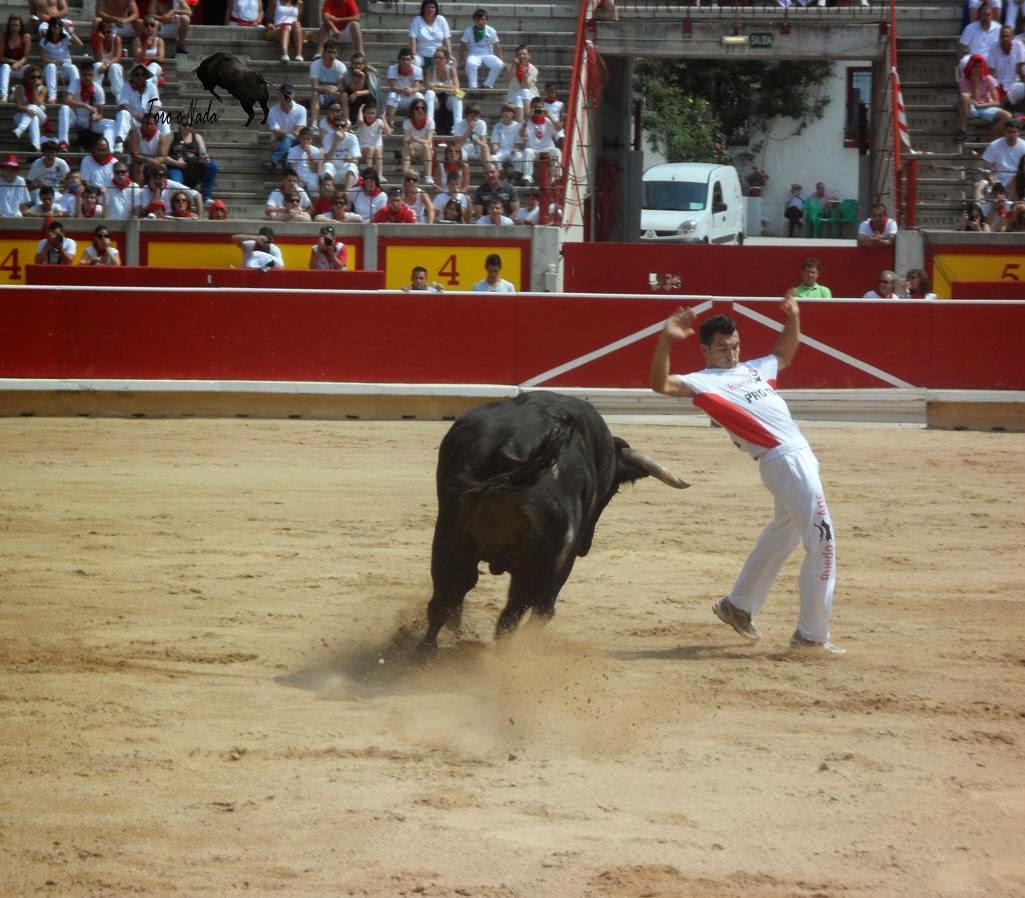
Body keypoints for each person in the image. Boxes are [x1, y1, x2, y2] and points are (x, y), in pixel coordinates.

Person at [649, 296, 843, 654]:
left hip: (795, 458)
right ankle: (811, 636)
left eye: (735, 346)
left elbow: (784, 354)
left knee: (784, 533)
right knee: (823, 543)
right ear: (705, 350)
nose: (731, 354)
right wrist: (666, 340)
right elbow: (660, 385)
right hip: (784, 460)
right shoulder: (702, 382)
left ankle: (737, 605)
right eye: (722, 348)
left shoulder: (754, 369)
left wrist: (793, 317)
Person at [59, 61, 116, 152]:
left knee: (111, 124)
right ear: (80, 74)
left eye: (90, 75)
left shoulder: (98, 90)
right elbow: (67, 100)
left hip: (89, 121)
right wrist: (85, 105)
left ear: (93, 75)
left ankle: (107, 149)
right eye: (84, 75)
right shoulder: (75, 83)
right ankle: (63, 142)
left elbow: (101, 113)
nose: (87, 77)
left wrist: (96, 117)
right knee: (64, 108)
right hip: (75, 118)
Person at [115, 62, 169, 154]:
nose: (140, 77)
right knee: (123, 113)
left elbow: (156, 104)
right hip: (133, 120)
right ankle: (119, 143)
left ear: (146, 76)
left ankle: (166, 144)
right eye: (137, 74)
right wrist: (134, 114)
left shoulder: (151, 87)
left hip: (148, 121)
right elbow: (123, 104)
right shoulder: (126, 86)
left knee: (162, 115)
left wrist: (150, 116)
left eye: (143, 74)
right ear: (133, 76)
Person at [958, 54, 1011, 140]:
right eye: (975, 66)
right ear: (970, 66)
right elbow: (969, 99)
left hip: (985, 106)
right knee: (964, 96)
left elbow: (997, 102)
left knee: (1007, 116)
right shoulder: (963, 80)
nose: (977, 68)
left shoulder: (988, 78)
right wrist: (976, 83)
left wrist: (981, 105)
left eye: (979, 66)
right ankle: (961, 130)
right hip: (970, 108)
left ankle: (984, 139)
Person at [166, 120, 219, 202]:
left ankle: (206, 196)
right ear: (180, 125)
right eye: (184, 124)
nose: (187, 127)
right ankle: (179, 199)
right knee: (175, 180)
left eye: (189, 125)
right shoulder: (171, 136)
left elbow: (203, 152)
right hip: (177, 168)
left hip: (194, 168)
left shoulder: (197, 137)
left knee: (213, 165)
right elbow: (162, 156)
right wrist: (176, 163)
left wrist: (204, 158)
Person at [39, 17, 82, 104]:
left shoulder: (65, 38)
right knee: (51, 66)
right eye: (54, 26)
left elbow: (80, 44)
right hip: (50, 69)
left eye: (59, 26)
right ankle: (52, 97)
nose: (57, 28)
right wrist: (54, 62)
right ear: (50, 27)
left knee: (73, 68)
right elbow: (42, 59)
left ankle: (71, 95)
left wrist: (70, 32)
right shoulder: (44, 41)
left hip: (64, 67)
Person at [266, 82, 307, 172]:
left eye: (289, 93)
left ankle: (273, 162)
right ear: (279, 95)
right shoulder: (272, 111)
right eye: (283, 93)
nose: (286, 96)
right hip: (280, 141)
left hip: (291, 142)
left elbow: (297, 131)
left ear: (294, 94)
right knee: (288, 146)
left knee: (287, 140)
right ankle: (285, 169)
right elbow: (276, 132)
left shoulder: (301, 110)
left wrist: (284, 137)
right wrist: (288, 136)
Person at [459, 8, 503, 89]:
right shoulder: (469, 30)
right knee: (470, 63)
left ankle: (487, 84)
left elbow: (497, 45)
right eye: (477, 19)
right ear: (474, 20)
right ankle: (473, 87)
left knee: (499, 64)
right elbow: (462, 44)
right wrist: (461, 59)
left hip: (488, 53)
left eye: (482, 19)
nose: (480, 22)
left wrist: (500, 58)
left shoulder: (491, 30)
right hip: (473, 53)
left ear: (486, 20)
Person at [320, 103, 360, 190]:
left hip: (345, 169)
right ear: (333, 127)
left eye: (342, 126)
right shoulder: (327, 137)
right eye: (337, 126)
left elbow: (356, 160)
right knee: (327, 166)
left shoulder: (352, 138)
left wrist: (350, 159)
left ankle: (347, 194)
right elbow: (327, 159)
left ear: (346, 128)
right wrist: (335, 142)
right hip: (333, 169)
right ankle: (329, 194)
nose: (339, 128)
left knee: (352, 166)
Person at [520, 95, 558, 185]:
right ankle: (527, 178)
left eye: (540, 107)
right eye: (535, 107)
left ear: (543, 108)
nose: (537, 109)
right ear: (531, 109)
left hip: (547, 148)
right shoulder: (527, 121)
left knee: (556, 151)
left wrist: (549, 115)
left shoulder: (548, 121)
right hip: (534, 150)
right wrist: (528, 118)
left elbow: (558, 128)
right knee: (527, 151)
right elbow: (521, 134)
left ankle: (555, 177)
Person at [423, 45, 462, 134]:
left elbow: (456, 87)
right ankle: (430, 125)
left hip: (448, 99)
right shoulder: (430, 69)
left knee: (459, 95)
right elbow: (428, 86)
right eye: (435, 57)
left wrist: (437, 85)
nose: (437, 60)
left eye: (440, 57)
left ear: (446, 59)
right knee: (429, 93)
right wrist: (448, 87)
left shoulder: (451, 69)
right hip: (435, 100)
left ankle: (457, 127)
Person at [980, 119, 1025, 195]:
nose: (1011, 134)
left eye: (1014, 132)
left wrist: (1014, 182)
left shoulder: (1024, 146)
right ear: (1004, 132)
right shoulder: (994, 146)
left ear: (1019, 133)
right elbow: (987, 168)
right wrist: (995, 182)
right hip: (997, 182)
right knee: (979, 185)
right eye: (1008, 131)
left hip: (1018, 182)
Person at [986, 25, 1025, 109]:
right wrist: (991, 88)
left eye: (1008, 36)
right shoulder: (993, 47)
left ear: (1013, 37)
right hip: (998, 85)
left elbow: (1020, 69)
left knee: (1021, 88)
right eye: (1002, 36)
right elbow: (991, 72)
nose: (1005, 38)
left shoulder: (1019, 45)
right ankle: (1002, 104)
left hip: (1014, 85)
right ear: (999, 37)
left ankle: (1000, 104)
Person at [385, 47, 424, 128]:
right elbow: (393, 87)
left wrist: (411, 90)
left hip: (410, 98)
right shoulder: (392, 69)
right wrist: (404, 90)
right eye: (403, 59)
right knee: (392, 95)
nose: (405, 62)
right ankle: (390, 122)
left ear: (412, 60)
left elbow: (417, 87)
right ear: (399, 60)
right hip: (398, 97)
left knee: (419, 96)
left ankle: (420, 122)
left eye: (408, 59)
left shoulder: (418, 70)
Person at [409, 0, 451, 74]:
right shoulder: (417, 20)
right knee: (414, 62)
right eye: (427, 7)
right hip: (421, 54)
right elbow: (413, 38)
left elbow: (447, 38)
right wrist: (413, 54)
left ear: (436, 9)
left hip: (438, 54)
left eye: (432, 7)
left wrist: (449, 54)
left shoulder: (441, 19)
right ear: (423, 9)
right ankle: (417, 81)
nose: (430, 9)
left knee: (451, 63)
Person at [959, 0, 1000, 73]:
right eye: (983, 14)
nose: (986, 17)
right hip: (974, 58)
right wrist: (959, 60)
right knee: (964, 61)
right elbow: (961, 47)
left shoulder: (998, 28)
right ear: (979, 15)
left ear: (992, 15)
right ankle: (966, 79)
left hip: (992, 59)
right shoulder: (970, 28)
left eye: (988, 15)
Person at [13, 65, 48, 152]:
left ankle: (20, 129)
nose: (36, 79)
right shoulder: (19, 88)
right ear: (26, 78)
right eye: (32, 77)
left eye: (38, 77)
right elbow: (18, 107)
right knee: (34, 117)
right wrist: (27, 110)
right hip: (21, 115)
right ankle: (36, 145)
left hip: (40, 115)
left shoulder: (42, 88)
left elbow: (37, 103)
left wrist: (34, 88)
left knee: (33, 106)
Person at [309, 42, 345, 125]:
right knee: (315, 94)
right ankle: (314, 123)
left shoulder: (341, 66)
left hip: (335, 96)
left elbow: (342, 86)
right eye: (329, 52)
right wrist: (326, 89)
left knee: (344, 95)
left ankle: (346, 121)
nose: (331, 55)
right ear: (323, 53)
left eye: (334, 52)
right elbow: (314, 87)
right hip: (322, 96)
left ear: (337, 54)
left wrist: (336, 89)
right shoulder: (315, 65)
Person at [401, 99, 435, 185]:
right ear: (413, 110)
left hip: (424, 150)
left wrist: (418, 140)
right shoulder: (407, 122)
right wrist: (411, 139)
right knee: (406, 147)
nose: (420, 110)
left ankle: (428, 176)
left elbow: (429, 140)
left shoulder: (430, 122)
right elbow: (405, 139)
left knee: (426, 146)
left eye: (422, 108)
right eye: (417, 108)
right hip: (412, 149)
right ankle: (406, 176)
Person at [0, 14, 32, 104]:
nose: (14, 28)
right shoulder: (3, 37)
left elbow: (25, 57)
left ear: (20, 26)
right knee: (5, 67)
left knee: (30, 70)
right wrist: (13, 62)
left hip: (20, 67)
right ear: (9, 26)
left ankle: (29, 96)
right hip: (7, 68)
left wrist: (18, 64)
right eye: (12, 25)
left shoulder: (26, 37)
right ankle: (4, 96)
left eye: (17, 25)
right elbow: (1, 57)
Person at [90, 19, 125, 100]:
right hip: (101, 67)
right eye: (103, 32)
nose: (106, 34)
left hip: (111, 65)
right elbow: (98, 58)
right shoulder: (97, 39)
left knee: (115, 67)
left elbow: (118, 58)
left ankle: (120, 97)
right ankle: (95, 95)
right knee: (97, 65)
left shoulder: (116, 39)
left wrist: (107, 64)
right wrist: (100, 42)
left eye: (108, 32)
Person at [355, 102, 390, 177]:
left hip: (377, 148)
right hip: (363, 148)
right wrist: (360, 109)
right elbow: (360, 120)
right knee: (370, 149)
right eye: (368, 113)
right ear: (364, 114)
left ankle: (380, 175)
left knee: (377, 150)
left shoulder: (378, 122)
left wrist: (383, 118)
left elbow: (388, 133)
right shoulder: (362, 123)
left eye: (373, 113)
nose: (371, 115)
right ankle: (370, 174)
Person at [340, 51, 373, 128]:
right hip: (350, 97)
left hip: (366, 98)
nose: (357, 66)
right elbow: (354, 88)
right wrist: (360, 77)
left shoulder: (371, 74)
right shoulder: (347, 74)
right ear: (351, 64)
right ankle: (347, 121)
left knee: (363, 99)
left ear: (364, 64)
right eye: (355, 63)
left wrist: (357, 93)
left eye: (360, 64)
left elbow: (372, 91)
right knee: (345, 96)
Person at [287, 126, 324, 193]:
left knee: (313, 185)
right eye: (303, 139)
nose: (305, 141)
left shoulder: (316, 151)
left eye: (308, 139)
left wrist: (309, 154)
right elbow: (292, 167)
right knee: (297, 186)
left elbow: (315, 170)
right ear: (299, 139)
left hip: (311, 174)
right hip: (298, 174)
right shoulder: (293, 150)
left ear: (311, 140)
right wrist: (298, 177)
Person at [131, 15, 166, 87]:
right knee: (154, 79)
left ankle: (146, 83)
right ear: (143, 28)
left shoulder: (159, 41)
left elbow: (160, 59)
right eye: (146, 25)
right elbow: (137, 59)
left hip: (154, 67)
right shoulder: (137, 41)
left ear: (155, 27)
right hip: (141, 67)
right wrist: (145, 46)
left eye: (152, 25)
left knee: (154, 65)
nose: (149, 27)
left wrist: (146, 59)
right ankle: (148, 86)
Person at [490, 102, 524, 176]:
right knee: (493, 158)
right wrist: (494, 148)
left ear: (513, 114)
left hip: (512, 151)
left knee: (520, 157)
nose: (506, 113)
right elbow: (495, 142)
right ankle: (501, 172)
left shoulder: (517, 126)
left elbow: (518, 143)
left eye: (509, 111)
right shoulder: (497, 126)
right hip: (501, 151)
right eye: (504, 111)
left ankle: (516, 175)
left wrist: (516, 149)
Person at [505, 45, 537, 122]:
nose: (521, 56)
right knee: (519, 97)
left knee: (524, 93)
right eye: (519, 54)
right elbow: (508, 80)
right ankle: (526, 121)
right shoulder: (511, 66)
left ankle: (523, 121)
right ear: (516, 56)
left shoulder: (533, 69)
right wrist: (513, 66)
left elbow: (526, 87)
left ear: (529, 56)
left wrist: (524, 76)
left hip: (529, 97)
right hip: (513, 95)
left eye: (524, 54)